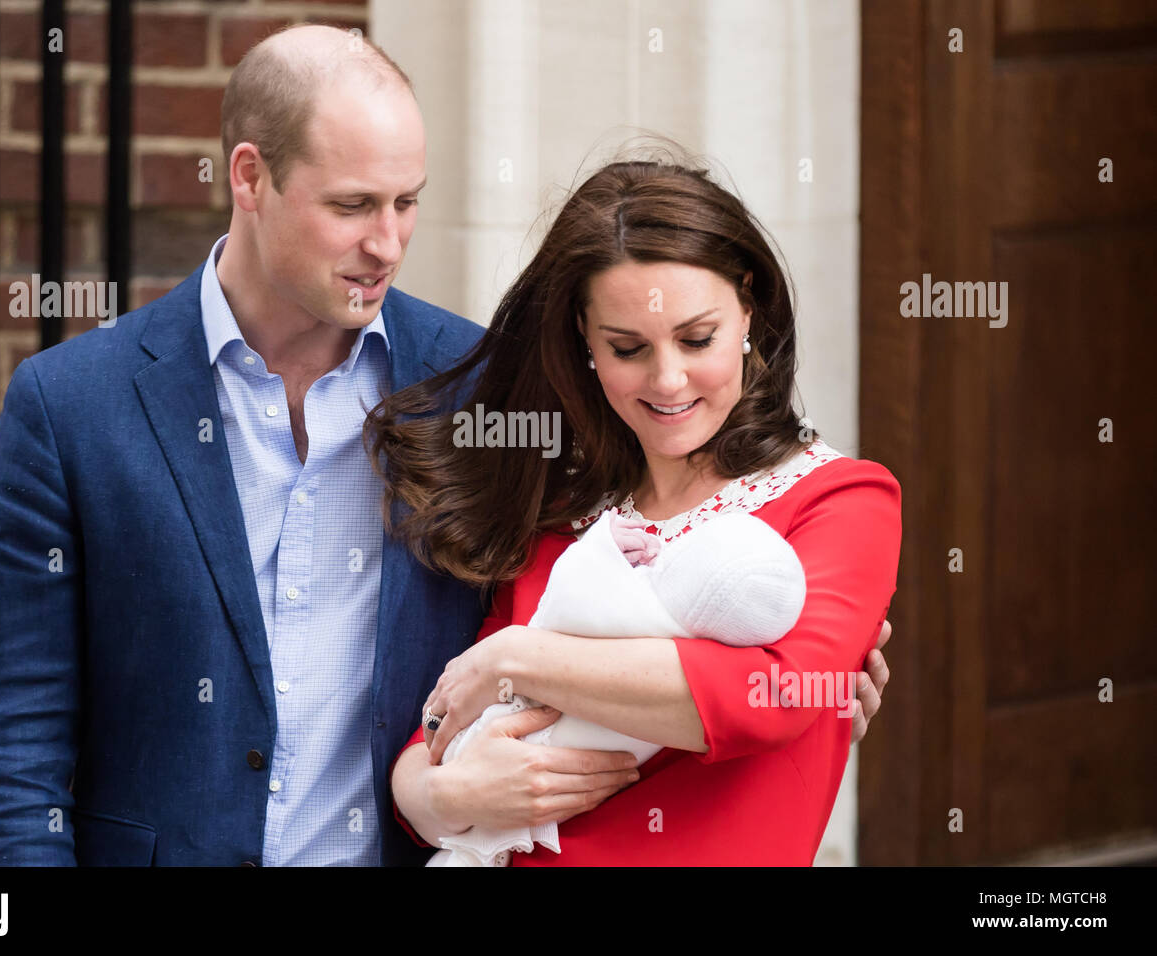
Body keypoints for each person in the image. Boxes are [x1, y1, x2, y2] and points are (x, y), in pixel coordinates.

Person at [0, 23, 890, 867]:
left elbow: (659, 602)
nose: (389, 242)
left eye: (409, 201)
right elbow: (16, 744)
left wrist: (814, 674)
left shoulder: (479, 387)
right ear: (248, 178)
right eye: (354, 204)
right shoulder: (70, 405)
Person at [372, 158, 902, 865]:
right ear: (585, 341)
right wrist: (438, 798)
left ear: (748, 307)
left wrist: (520, 657)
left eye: (697, 338)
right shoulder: (564, 508)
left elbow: (774, 697)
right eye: (628, 348)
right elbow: (451, 712)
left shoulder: (841, 500)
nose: (668, 379)